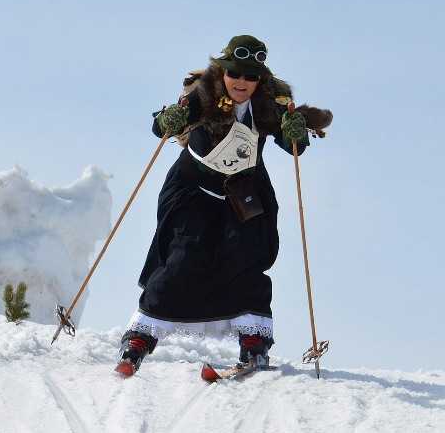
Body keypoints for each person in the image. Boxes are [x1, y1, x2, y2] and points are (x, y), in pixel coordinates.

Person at [116, 35, 332, 375]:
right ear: (224, 72)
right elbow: (160, 126)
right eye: (235, 74)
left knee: (247, 256)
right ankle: (140, 339)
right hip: (194, 187)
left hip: (245, 189)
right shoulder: (203, 93)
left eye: (250, 76)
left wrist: (296, 132)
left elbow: (295, 145)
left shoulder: (272, 102)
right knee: (183, 255)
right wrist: (169, 119)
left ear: (260, 79)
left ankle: (254, 344)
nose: (241, 82)